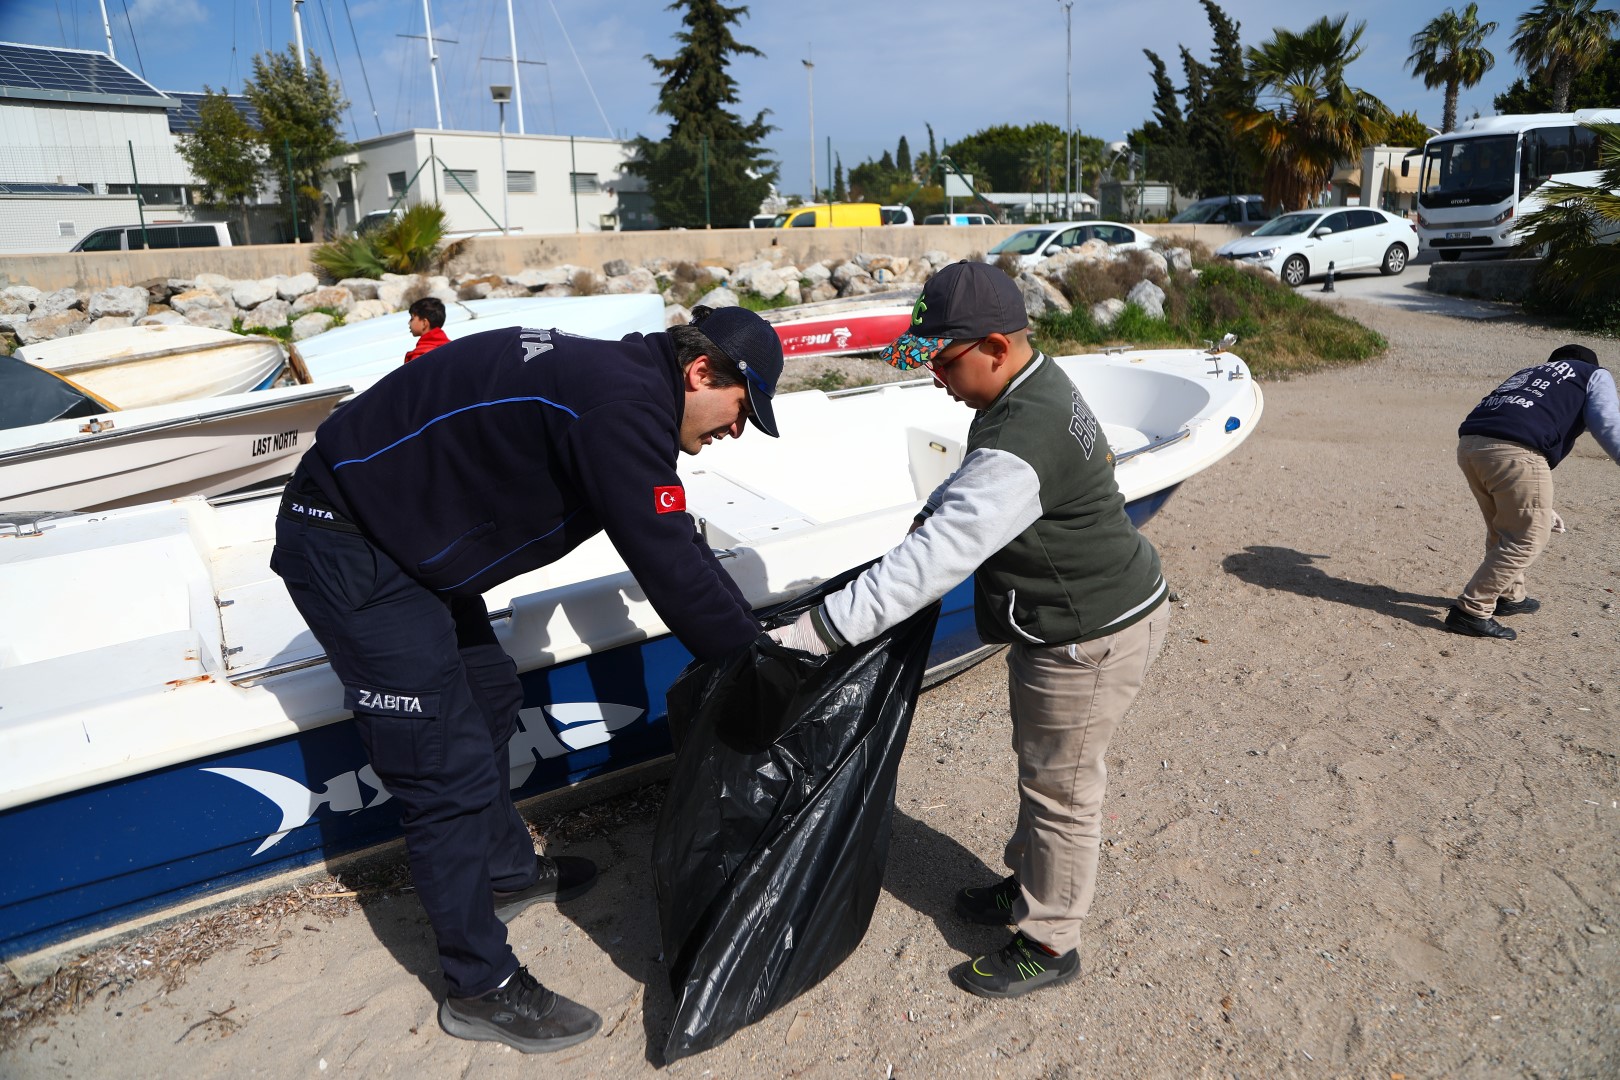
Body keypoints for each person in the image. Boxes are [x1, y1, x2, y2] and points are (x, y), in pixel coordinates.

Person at [271, 306, 784, 1052]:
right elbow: (667, 564)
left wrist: (751, 637)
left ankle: (506, 873)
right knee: (437, 769)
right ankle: (478, 986)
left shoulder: (628, 384)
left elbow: (674, 534)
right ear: (703, 371)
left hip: (408, 537)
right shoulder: (622, 406)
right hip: (351, 542)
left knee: (488, 698)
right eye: (742, 411)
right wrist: (755, 672)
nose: (735, 433)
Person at [768, 261, 1170, 999]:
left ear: (993, 346)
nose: (935, 379)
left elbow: (931, 565)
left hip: (1088, 635)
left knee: (1063, 789)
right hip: (1070, 620)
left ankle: (1051, 940)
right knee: (1042, 765)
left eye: (944, 362)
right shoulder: (1029, 389)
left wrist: (814, 633)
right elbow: (978, 480)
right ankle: (1027, 888)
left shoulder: (1027, 431)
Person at [1445, 343, 1620, 640]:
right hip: (1515, 450)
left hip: (1472, 445)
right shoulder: (1592, 374)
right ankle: (1472, 610)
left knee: (1503, 527)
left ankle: (1511, 596)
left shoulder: (1531, 374)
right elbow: (1608, 421)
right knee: (1528, 536)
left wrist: (1541, 504)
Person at [404, 297, 449, 362]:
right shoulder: (451, 347)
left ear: (424, 323)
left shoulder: (420, 357)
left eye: (412, 318)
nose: (409, 322)